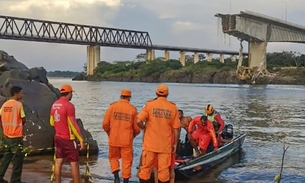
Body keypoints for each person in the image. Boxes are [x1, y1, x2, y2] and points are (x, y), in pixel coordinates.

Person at [137, 84, 181, 183]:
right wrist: (175, 144)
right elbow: (176, 129)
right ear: (167, 94)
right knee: (164, 171)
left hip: (150, 144)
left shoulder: (149, 105)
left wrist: (144, 128)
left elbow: (138, 121)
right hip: (165, 145)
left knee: (145, 169)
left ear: (156, 93)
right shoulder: (173, 107)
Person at [102, 89, 140, 183]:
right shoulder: (132, 109)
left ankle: (116, 177)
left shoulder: (112, 107)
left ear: (121, 96)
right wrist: (133, 136)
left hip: (113, 139)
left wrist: (109, 133)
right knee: (127, 161)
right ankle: (125, 181)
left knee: (113, 158)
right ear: (129, 98)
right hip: (126, 140)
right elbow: (137, 128)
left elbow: (105, 124)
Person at [50, 84, 85, 183]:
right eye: (71, 93)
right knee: (74, 163)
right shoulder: (69, 106)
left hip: (58, 137)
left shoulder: (54, 104)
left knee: (58, 161)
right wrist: (81, 140)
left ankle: (57, 182)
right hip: (68, 138)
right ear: (69, 93)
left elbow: (51, 122)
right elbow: (73, 124)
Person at [0, 86, 26, 183]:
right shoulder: (18, 105)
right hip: (16, 135)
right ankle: (15, 180)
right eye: (21, 93)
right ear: (16, 93)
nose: (22, 94)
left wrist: (4, 130)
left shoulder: (5, 105)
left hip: (7, 135)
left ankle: (0, 176)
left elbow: (0, 117)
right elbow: (23, 118)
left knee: (7, 156)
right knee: (18, 158)